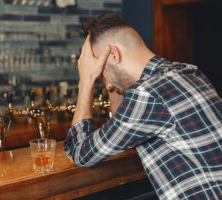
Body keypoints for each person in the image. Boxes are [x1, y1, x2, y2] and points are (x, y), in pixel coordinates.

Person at [64, 12, 222, 200]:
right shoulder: (189, 71)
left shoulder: (147, 93)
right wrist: (110, 83)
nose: (102, 78)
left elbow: (81, 153)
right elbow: (121, 131)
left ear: (113, 54)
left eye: (99, 69)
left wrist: (86, 80)